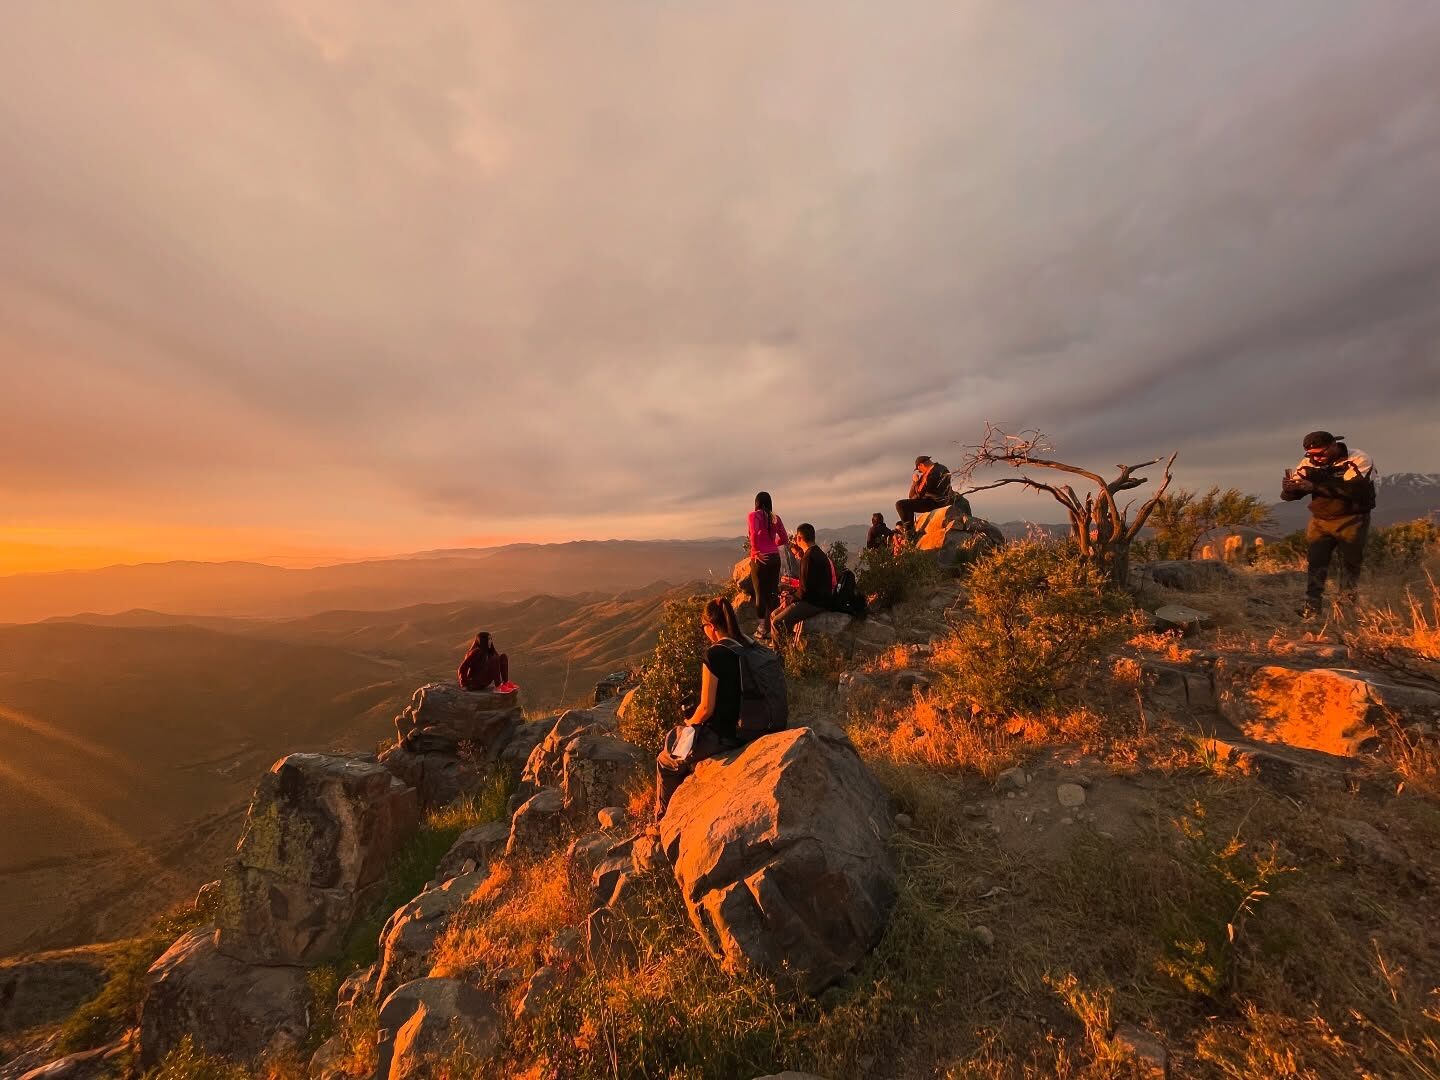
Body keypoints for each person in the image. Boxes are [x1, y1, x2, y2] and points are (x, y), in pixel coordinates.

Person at [654, 597, 749, 817]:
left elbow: (706, 708)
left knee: (665, 761)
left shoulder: (715, 654)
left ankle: (663, 819)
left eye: (703, 626)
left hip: (724, 736)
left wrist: (690, 723)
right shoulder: (747, 647)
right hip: (749, 727)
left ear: (712, 626)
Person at [1280, 431, 1378, 617]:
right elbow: (1290, 496)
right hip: (1320, 520)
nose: (1316, 458)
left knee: (1349, 564)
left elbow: (1355, 490)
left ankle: (1345, 610)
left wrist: (1315, 486)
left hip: (1352, 519)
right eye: (1311, 454)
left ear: (1334, 445)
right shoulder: (1308, 462)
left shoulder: (1358, 459)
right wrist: (1289, 489)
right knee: (1316, 563)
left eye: (1320, 453)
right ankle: (1311, 608)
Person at [770, 523, 835, 640]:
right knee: (774, 614)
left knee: (777, 622)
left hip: (815, 603)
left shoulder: (808, 557)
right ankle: (787, 645)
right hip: (818, 599)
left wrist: (790, 599)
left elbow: (805, 591)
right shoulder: (818, 553)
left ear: (799, 538)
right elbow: (808, 585)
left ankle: (781, 650)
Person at [747, 491, 789, 640]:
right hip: (775, 558)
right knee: (772, 592)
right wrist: (773, 546)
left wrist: (755, 551)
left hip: (761, 559)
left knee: (759, 592)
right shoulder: (775, 518)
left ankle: (761, 629)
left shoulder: (753, 515)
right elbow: (784, 538)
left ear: (757, 503)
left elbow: (754, 533)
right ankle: (774, 627)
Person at [896, 455, 955, 538]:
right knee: (907, 504)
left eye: (919, 470)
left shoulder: (930, 473)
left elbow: (918, 493)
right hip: (944, 500)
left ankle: (910, 534)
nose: (920, 472)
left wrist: (915, 482)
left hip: (934, 502)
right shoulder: (943, 468)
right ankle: (910, 532)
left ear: (921, 465)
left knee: (901, 504)